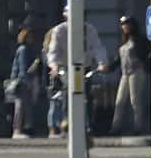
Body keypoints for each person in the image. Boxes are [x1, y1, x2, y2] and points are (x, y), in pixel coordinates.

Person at [43, 7, 108, 138]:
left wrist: (102, 63)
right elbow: (53, 51)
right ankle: (67, 122)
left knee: (87, 94)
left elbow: (97, 47)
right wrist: (54, 66)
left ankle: (88, 125)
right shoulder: (60, 30)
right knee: (68, 91)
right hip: (67, 68)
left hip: (85, 67)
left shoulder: (89, 29)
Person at [111, 15, 151, 135]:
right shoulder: (124, 41)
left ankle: (138, 126)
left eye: (127, 24)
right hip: (125, 73)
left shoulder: (140, 40)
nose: (125, 26)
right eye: (123, 24)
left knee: (135, 99)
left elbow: (147, 55)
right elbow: (118, 59)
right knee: (120, 100)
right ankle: (115, 127)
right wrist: (109, 67)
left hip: (136, 72)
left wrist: (143, 63)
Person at [7, 27, 43, 138]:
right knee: (21, 106)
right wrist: (28, 81)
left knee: (23, 106)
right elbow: (23, 67)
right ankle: (17, 130)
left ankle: (21, 129)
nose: (32, 39)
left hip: (22, 80)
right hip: (23, 82)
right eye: (30, 37)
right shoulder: (24, 50)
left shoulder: (26, 49)